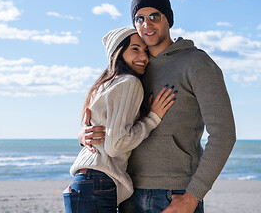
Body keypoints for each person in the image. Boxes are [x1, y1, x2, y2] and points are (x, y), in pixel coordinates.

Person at [79, 0, 236, 213]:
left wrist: (193, 196)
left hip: (174, 195)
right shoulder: (133, 68)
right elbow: (106, 115)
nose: (147, 24)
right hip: (127, 192)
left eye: (155, 16)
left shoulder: (197, 64)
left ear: (168, 19)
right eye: (139, 18)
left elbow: (224, 134)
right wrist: (84, 136)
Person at [63, 26, 177, 213]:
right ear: (118, 52)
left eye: (145, 51)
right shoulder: (130, 82)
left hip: (84, 182)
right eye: (135, 49)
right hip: (97, 184)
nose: (143, 57)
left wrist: (82, 137)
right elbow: (115, 145)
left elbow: (99, 132)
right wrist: (153, 118)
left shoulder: (103, 85)